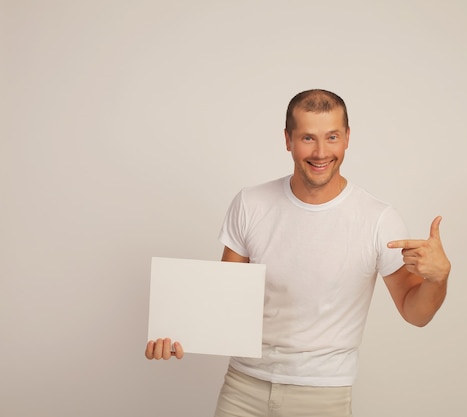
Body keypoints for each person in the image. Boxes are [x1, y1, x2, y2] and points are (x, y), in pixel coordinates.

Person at [145, 89, 451, 417]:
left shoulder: (378, 219)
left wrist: (438, 278)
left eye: (331, 137)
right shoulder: (250, 204)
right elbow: (224, 303)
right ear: (288, 140)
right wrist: (175, 332)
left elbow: (415, 313)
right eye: (308, 138)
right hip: (243, 388)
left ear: (347, 138)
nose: (321, 152)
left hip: (322, 395)